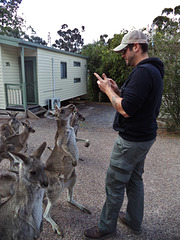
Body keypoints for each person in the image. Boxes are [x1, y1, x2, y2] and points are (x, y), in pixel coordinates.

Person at [83, 30, 164, 240]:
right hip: (144, 138)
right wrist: (117, 90)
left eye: (124, 50)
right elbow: (135, 102)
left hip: (131, 141)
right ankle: (133, 220)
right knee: (135, 179)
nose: (122, 55)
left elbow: (126, 110)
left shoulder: (142, 72)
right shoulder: (152, 70)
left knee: (115, 183)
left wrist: (107, 91)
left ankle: (106, 226)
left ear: (135, 46)